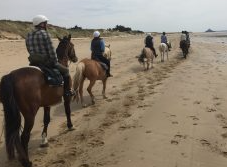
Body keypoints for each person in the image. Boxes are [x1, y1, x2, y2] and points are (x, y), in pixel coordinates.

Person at [25, 15, 75, 96]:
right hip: (46, 62)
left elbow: (28, 49)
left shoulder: (28, 35)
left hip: (33, 61)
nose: (47, 25)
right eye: (45, 23)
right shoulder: (45, 34)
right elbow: (51, 50)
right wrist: (55, 61)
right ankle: (67, 91)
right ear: (42, 24)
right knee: (66, 70)